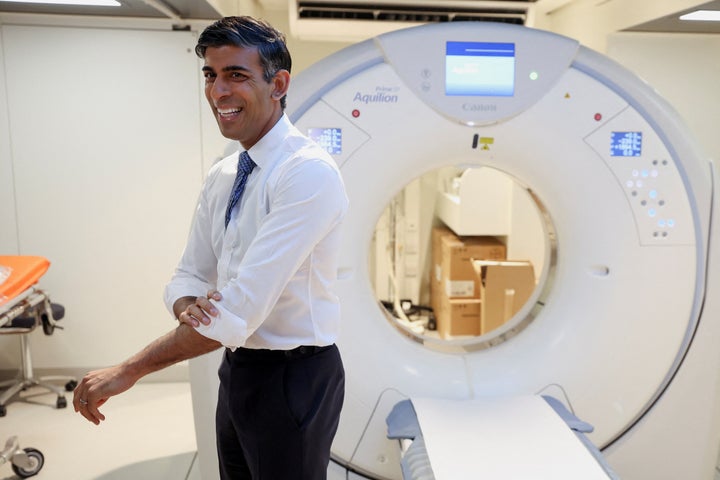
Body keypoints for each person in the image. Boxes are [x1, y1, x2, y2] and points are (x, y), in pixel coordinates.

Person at [73, 16, 348, 480]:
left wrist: (129, 370)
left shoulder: (307, 174)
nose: (218, 91)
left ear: (278, 83)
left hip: (294, 377)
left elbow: (239, 313)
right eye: (210, 75)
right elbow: (188, 275)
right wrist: (189, 307)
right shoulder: (225, 174)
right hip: (238, 369)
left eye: (235, 75)